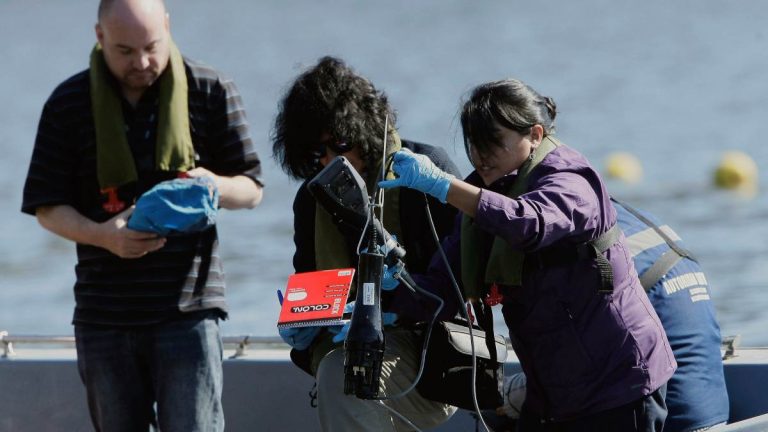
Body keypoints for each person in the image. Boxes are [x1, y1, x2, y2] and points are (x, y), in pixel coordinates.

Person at [378, 78, 677, 432]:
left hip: (618, 383)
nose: (480, 156)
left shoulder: (569, 178)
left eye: (493, 144)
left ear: (535, 134)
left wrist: (443, 186)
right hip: (554, 389)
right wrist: (388, 290)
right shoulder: (482, 196)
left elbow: (529, 223)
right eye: (474, 144)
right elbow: (443, 290)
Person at [21, 0, 263, 430]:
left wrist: (214, 185)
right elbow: (47, 207)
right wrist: (103, 236)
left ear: (167, 26)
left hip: (189, 312)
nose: (143, 62)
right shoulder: (67, 102)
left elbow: (252, 190)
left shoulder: (210, 87)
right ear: (100, 37)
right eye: (125, 51)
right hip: (104, 317)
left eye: (152, 46)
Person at [271, 56, 460, 431]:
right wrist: (303, 325)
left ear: (366, 130)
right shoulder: (310, 200)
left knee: (343, 376)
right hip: (346, 354)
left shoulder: (422, 173)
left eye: (340, 143)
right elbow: (312, 286)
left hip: (431, 358)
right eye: (314, 154)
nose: (329, 159)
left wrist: (393, 300)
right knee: (342, 371)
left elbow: (461, 288)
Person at [492, 199, 730, 432]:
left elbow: (567, 372)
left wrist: (504, 396)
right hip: (714, 414)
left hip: (663, 416)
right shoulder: (630, 218)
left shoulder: (571, 246)